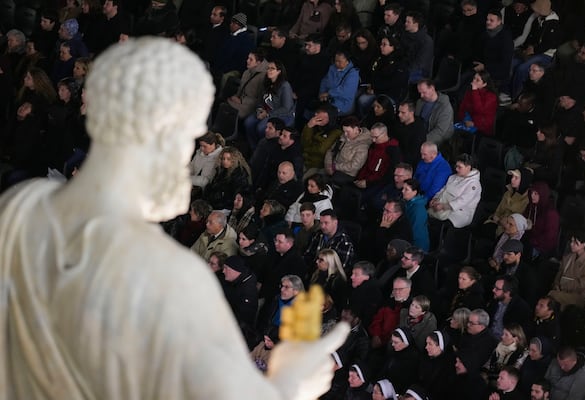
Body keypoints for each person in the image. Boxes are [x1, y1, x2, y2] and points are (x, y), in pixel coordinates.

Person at [0, 38, 349, 400]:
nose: (192, 154)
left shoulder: (23, 204)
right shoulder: (175, 279)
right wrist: (292, 381)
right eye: (190, 137)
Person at [245, 60, 295, 150]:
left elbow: (286, 108)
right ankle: (254, 147)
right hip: (266, 111)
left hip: (281, 114)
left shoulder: (285, 86)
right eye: (268, 68)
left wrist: (267, 114)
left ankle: (264, 148)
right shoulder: (266, 83)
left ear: (279, 71)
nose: (269, 71)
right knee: (248, 122)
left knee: (261, 128)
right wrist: (259, 110)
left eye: (272, 69)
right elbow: (260, 100)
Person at [428, 153, 482, 229]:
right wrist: (435, 198)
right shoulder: (453, 177)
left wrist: (444, 206)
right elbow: (443, 189)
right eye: (456, 166)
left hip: (460, 212)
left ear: (468, 167)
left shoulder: (474, 185)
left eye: (460, 167)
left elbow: (462, 201)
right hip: (442, 204)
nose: (456, 169)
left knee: (441, 225)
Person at [549, 232, 585, 309]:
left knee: (553, 295)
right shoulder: (568, 257)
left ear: (583, 245)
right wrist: (556, 284)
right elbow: (560, 273)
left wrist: (562, 286)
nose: (571, 244)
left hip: (581, 295)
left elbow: (582, 285)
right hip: (564, 289)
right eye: (571, 241)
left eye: (575, 243)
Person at [324, 116, 371, 186]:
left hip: (347, 174)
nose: (345, 134)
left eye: (348, 132)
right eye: (344, 131)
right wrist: (328, 165)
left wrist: (335, 167)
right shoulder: (343, 137)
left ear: (356, 129)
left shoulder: (363, 146)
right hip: (333, 167)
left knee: (326, 182)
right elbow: (331, 151)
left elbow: (354, 166)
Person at [203, 146, 252, 211]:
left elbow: (234, 196)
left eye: (228, 159)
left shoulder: (240, 174)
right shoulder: (221, 170)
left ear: (234, 159)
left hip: (226, 208)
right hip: (216, 204)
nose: (225, 161)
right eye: (223, 159)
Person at [227, 50, 269, 119]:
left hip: (251, 105)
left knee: (227, 109)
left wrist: (242, 101)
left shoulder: (263, 77)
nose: (247, 61)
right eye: (248, 58)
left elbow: (260, 99)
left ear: (258, 63)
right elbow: (241, 89)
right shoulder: (247, 72)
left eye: (251, 59)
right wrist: (236, 97)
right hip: (241, 101)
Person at [301, 105, 342, 174]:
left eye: (322, 118)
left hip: (318, 166)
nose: (317, 120)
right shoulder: (313, 126)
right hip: (304, 160)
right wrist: (309, 127)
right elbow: (304, 143)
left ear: (330, 119)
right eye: (317, 117)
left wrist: (308, 148)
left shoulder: (336, 132)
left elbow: (321, 150)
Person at [456, 70, 498, 137]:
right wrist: (461, 119)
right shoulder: (470, 91)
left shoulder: (491, 97)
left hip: (481, 125)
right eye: (474, 78)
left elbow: (479, 110)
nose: (474, 81)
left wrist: (474, 123)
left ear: (484, 84)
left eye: (477, 80)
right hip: (468, 119)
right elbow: (463, 106)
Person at [318, 50, 360, 116]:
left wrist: (328, 93)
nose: (337, 63)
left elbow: (345, 91)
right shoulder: (332, 68)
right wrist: (321, 93)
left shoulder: (353, 73)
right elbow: (324, 81)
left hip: (342, 103)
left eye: (339, 61)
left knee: (323, 115)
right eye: (336, 61)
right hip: (327, 99)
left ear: (347, 61)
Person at [418, 330, 456, 400]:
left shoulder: (448, 367)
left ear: (440, 346)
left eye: (430, 344)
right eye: (426, 343)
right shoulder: (425, 358)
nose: (426, 347)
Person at [415, 79, 454, 145]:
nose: (421, 96)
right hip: (423, 134)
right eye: (420, 93)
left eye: (424, 92)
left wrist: (422, 141)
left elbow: (440, 131)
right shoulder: (420, 102)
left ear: (432, 88)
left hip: (439, 137)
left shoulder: (445, 107)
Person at [310, 249, 349, 313]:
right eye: (318, 259)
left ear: (330, 262)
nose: (317, 262)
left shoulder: (338, 281)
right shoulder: (316, 274)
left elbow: (339, 304)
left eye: (321, 260)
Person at [189, 131, 225, 197]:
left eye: (204, 146)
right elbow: (191, 166)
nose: (202, 149)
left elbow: (206, 181)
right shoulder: (200, 152)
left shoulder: (220, 157)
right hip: (193, 182)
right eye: (201, 145)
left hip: (207, 191)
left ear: (213, 144)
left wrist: (186, 179)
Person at [401, 178, 430, 251]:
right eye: (403, 188)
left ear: (414, 192)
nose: (402, 191)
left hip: (416, 248)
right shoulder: (408, 203)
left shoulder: (418, 210)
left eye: (406, 189)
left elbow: (415, 233)